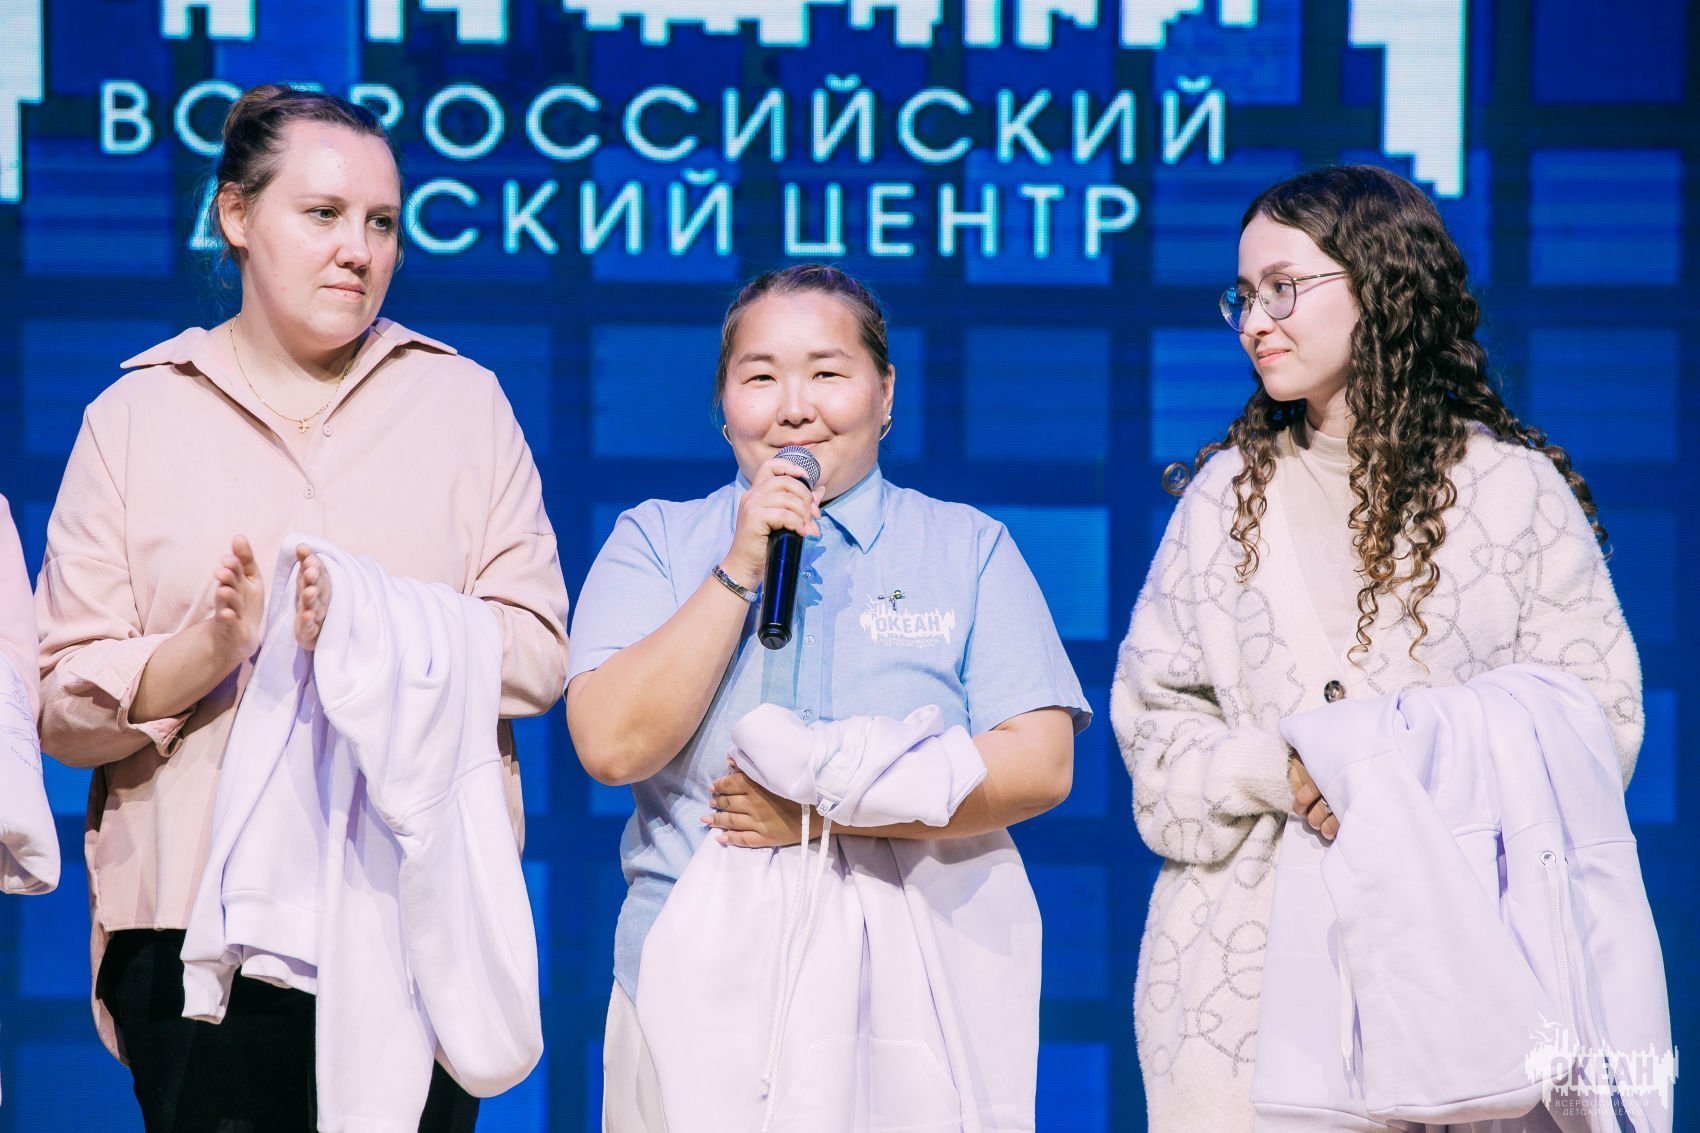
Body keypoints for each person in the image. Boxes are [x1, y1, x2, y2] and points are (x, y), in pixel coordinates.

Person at [34, 84, 570, 1132]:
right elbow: (60, 709)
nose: (357, 251)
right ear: (237, 215)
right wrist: (206, 651)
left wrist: (379, 623)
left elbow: (539, 653)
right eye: (322, 214)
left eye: (382, 223)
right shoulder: (134, 416)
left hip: (411, 912)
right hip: (195, 927)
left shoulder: (463, 404)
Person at [1111, 164, 1642, 1131]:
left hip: (1464, 975)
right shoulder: (1221, 502)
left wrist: (1400, 761)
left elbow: (1596, 725)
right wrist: (1282, 770)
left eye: (1284, 288)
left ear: (1382, 283)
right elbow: (1153, 731)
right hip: (1242, 994)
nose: (1254, 322)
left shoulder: (1513, 491)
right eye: (1243, 295)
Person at [565, 264, 1090, 1131]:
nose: (794, 407)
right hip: (687, 989)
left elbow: (1041, 761)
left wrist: (824, 814)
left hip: (914, 988)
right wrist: (739, 566)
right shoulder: (655, 540)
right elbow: (611, 744)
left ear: (886, 395)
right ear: (723, 404)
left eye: (827, 372)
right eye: (760, 376)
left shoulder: (967, 547)